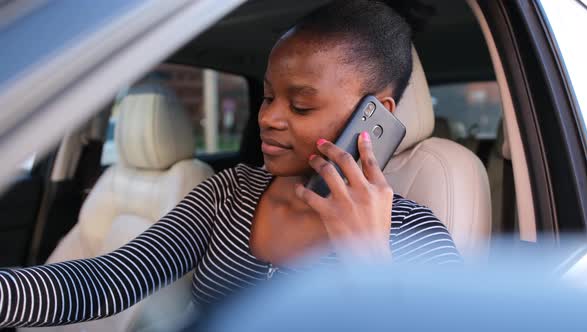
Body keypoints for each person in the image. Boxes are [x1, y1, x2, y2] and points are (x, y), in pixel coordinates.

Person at [0, 0, 461, 328]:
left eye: (300, 106)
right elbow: (111, 280)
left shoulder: (414, 232)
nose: (267, 117)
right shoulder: (230, 193)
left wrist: (370, 265)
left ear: (375, 114)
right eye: (267, 96)